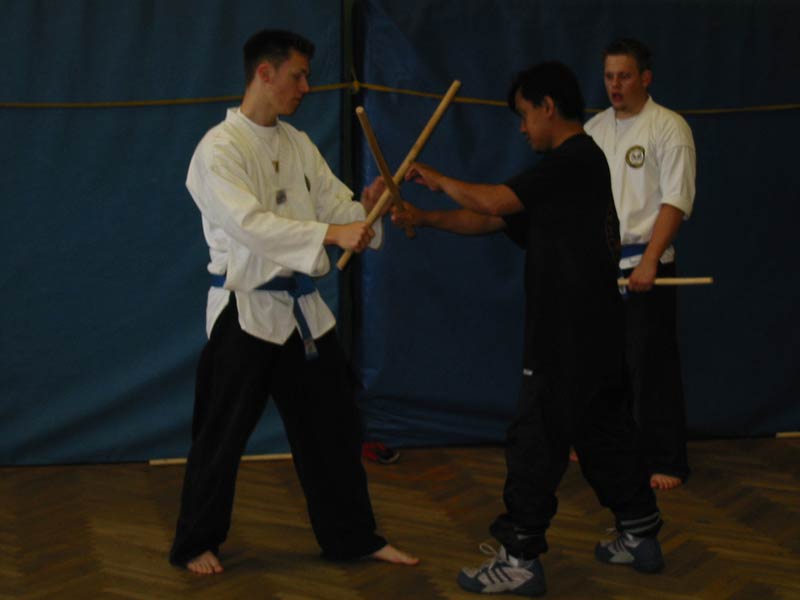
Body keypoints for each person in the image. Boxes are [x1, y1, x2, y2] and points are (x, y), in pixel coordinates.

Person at [393, 61, 664, 596]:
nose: (521, 128)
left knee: (536, 439)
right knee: (603, 431)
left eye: (524, 115)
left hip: (564, 335)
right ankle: (639, 532)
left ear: (547, 107)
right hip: (596, 332)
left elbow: (494, 200)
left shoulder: (574, 159)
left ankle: (519, 558)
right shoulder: (573, 169)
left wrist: (436, 177)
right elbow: (494, 219)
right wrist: (424, 218)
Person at [169, 29, 418, 575]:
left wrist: (368, 209)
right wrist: (332, 233)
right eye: (298, 75)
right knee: (220, 435)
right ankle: (195, 542)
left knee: (333, 430)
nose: (306, 86)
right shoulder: (218, 149)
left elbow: (335, 204)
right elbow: (250, 224)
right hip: (246, 310)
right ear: (265, 73)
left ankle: (351, 537)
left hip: (302, 314)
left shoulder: (299, 143)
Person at [585, 38, 696, 490]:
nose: (615, 85)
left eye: (624, 76)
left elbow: (676, 200)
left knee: (650, 365)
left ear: (645, 78)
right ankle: (607, 447)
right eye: (609, 76)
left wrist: (650, 261)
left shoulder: (668, 127)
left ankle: (666, 459)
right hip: (601, 263)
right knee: (601, 363)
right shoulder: (593, 130)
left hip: (646, 262)